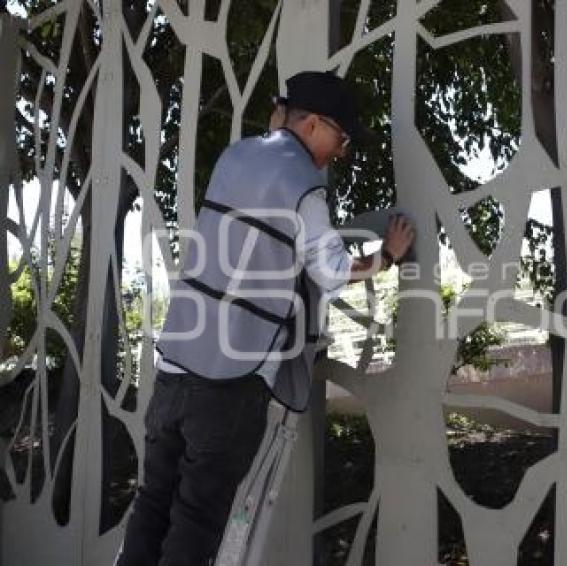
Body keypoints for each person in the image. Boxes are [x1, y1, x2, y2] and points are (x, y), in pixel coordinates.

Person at [116, 71, 415, 566]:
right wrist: (387, 256)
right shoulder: (304, 187)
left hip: (175, 368)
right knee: (195, 524)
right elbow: (332, 272)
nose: (340, 152)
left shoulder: (234, 158)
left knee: (151, 507)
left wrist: (280, 117)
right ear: (315, 124)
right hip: (230, 382)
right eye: (340, 138)